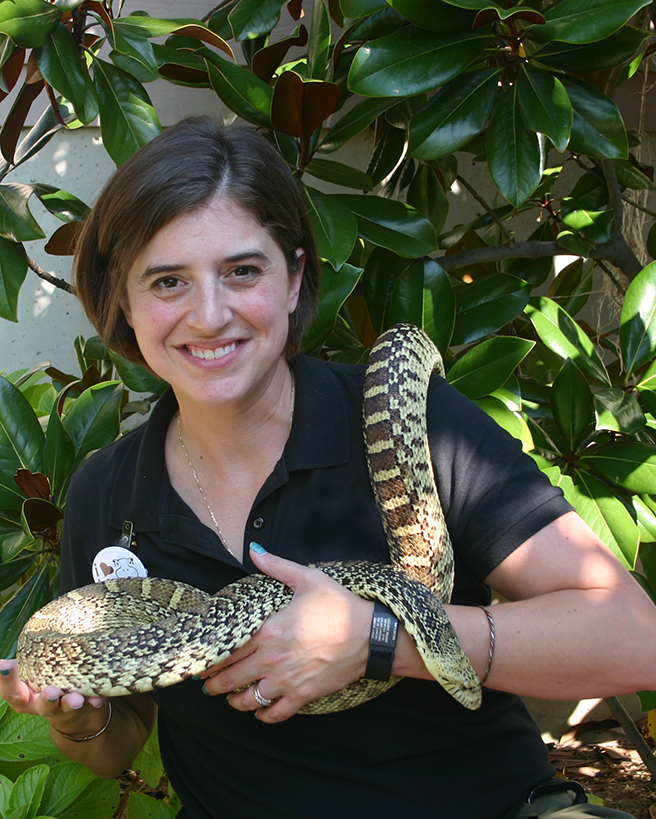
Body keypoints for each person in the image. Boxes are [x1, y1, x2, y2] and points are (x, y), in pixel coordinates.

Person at [0, 117, 654, 819]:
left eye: (242, 270)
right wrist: (78, 719)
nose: (210, 315)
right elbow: (120, 738)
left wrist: (379, 642)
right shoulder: (108, 490)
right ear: (122, 302)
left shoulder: (405, 417)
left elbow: (633, 640)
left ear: (294, 278)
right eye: (167, 281)